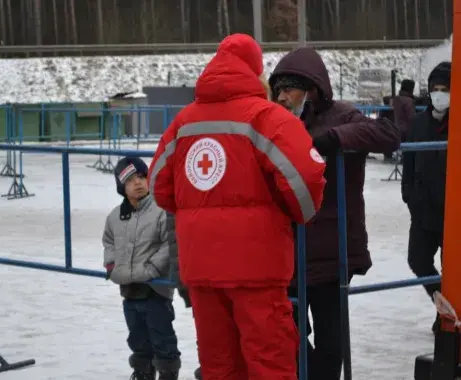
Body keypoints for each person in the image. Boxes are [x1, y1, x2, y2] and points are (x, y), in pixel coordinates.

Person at [148, 33, 327, 380]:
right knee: (269, 360)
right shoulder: (267, 118)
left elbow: (159, 185)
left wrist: (194, 211)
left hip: (201, 266)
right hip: (257, 266)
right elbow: (306, 177)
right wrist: (298, 212)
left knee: (219, 365)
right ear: (256, 71)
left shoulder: (184, 122)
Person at [268, 46, 401, 380]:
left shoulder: (341, 115)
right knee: (289, 336)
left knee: (331, 341)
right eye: (278, 89)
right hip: (287, 253)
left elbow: (387, 135)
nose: (282, 96)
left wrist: (334, 139)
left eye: (289, 88)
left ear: (311, 89)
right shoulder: (273, 121)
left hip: (332, 252)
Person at [102, 157, 181, 380]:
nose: (138, 183)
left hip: (156, 291)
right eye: (130, 180)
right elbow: (109, 242)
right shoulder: (115, 217)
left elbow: (170, 241)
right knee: (137, 339)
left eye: (142, 177)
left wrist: (152, 268)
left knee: (162, 340)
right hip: (129, 290)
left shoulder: (161, 210)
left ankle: (168, 373)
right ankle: (142, 372)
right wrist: (111, 265)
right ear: (121, 186)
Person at [401, 61, 451, 335]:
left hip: (452, 212)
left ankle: (446, 316)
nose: (440, 94)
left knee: (452, 268)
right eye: (435, 89)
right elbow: (408, 159)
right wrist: (409, 194)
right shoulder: (420, 123)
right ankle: (443, 303)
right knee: (418, 260)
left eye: (445, 89)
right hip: (423, 210)